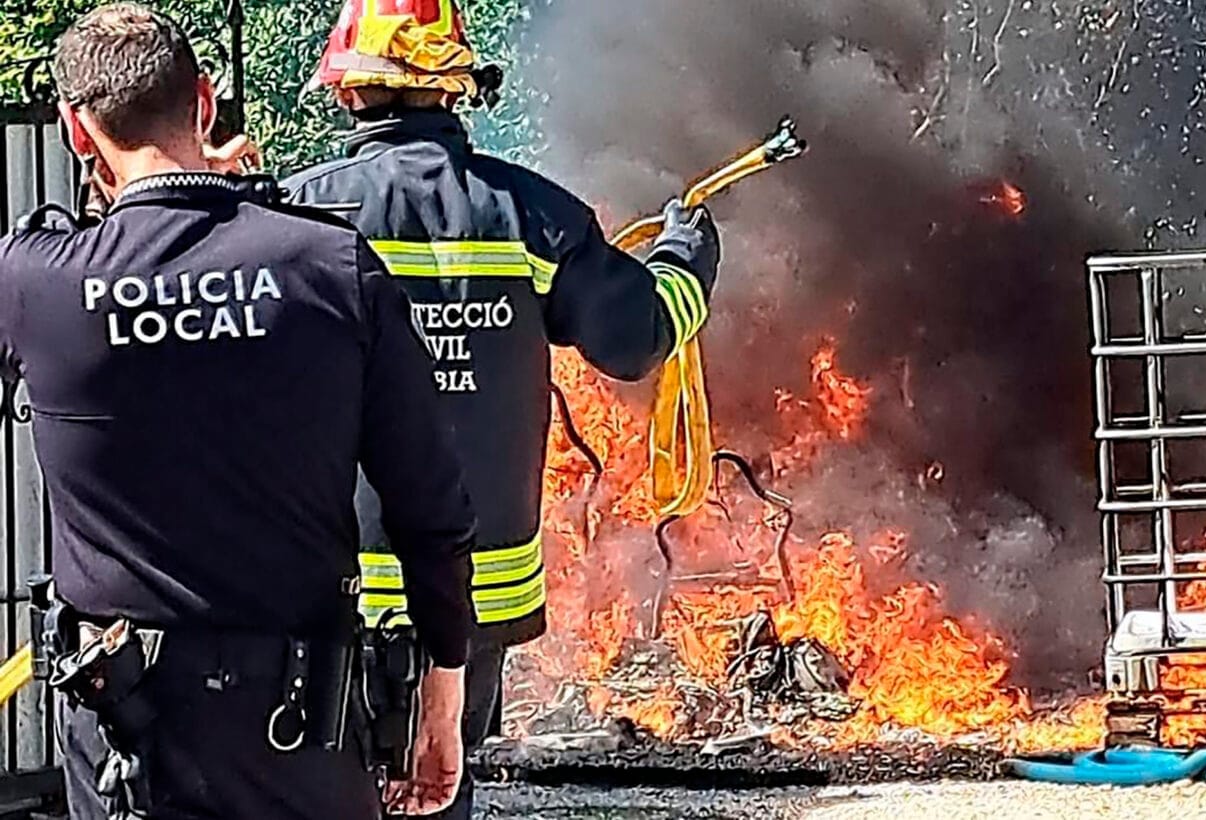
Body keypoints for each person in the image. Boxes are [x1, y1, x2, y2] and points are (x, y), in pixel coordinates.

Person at [0, 4, 477, 818]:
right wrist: (443, 690)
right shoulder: (329, 265)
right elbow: (430, 505)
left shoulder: (35, 282)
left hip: (128, 736)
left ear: (78, 133)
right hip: (302, 735)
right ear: (207, 99)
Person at [283, 0, 722, 816]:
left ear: (348, 92)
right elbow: (638, 338)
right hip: (474, 598)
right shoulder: (531, 216)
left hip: (326, 595)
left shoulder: (296, 215)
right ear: (457, 89)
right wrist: (686, 255)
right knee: (439, 781)